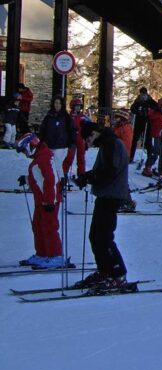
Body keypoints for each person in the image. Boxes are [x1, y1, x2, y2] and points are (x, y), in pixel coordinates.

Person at [73, 121, 130, 290]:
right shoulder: (107, 144)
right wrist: (87, 176)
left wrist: (90, 178)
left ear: (95, 133)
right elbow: (104, 170)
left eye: (89, 139)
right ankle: (105, 270)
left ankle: (117, 273)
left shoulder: (112, 143)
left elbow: (110, 171)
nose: (90, 143)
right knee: (96, 236)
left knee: (103, 236)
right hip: (105, 194)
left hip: (111, 195)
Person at [16, 133, 66, 268]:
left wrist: (50, 201)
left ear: (30, 145)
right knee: (38, 227)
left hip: (49, 201)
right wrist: (26, 179)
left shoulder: (44, 157)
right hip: (41, 200)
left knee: (49, 227)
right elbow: (40, 176)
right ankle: (42, 254)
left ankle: (56, 256)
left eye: (24, 150)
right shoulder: (40, 157)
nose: (25, 154)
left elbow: (51, 180)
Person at [38, 95, 75, 183]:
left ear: (62, 105)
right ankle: (51, 182)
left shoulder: (66, 117)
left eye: (59, 103)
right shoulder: (49, 116)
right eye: (55, 103)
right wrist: (42, 141)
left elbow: (71, 130)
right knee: (49, 165)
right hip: (49, 145)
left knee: (57, 164)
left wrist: (72, 143)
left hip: (61, 146)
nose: (57, 105)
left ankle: (60, 183)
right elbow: (43, 129)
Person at [142, 99, 162, 178]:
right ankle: (148, 167)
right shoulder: (155, 114)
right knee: (155, 152)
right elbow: (149, 117)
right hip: (155, 135)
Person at [63, 96, 89, 179]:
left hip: (81, 139)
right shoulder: (69, 116)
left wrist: (87, 140)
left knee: (81, 157)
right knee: (69, 157)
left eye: (79, 106)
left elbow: (88, 128)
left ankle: (81, 175)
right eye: (76, 106)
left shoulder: (83, 116)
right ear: (72, 106)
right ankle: (64, 173)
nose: (78, 108)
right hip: (72, 139)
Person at [129, 87, 156, 163]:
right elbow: (132, 109)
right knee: (134, 139)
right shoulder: (137, 101)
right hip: (139, 122)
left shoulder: (150, 100)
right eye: (141, 94)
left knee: (148, 141)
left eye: (144, 94)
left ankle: (149, 158)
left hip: (148, 122)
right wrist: (138, 111)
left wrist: (149, 111)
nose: (143, 96)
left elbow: (156, 107)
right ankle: (131, 156)